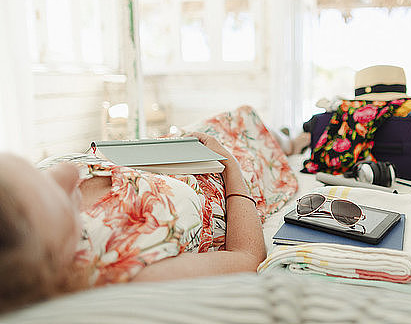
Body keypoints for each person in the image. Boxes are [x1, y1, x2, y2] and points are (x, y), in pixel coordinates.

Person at [0, 133, 266, 314]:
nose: (67, 172)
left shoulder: (16, 203)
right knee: (258, 133)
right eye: (55, 192)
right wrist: (232, 166)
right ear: (50, 257)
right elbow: (247, 257)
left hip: (176, 152)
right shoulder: (127, 270)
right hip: (231, 178)